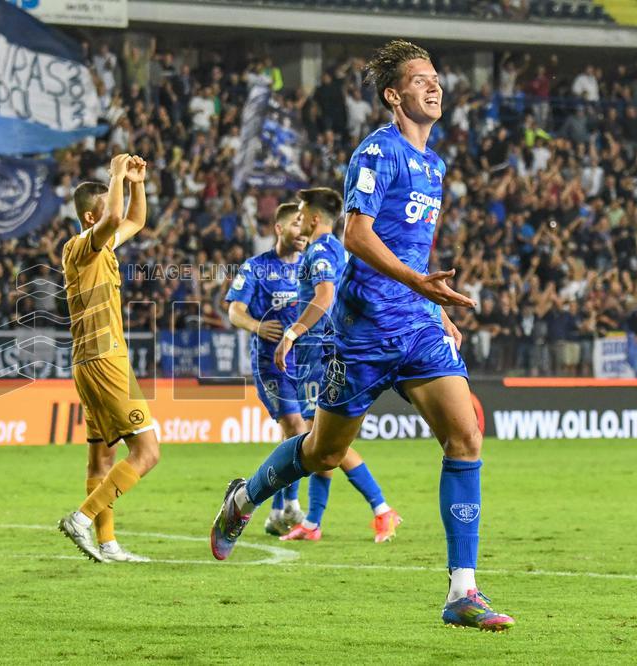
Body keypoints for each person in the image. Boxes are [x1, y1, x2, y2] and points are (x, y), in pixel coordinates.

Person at [209, 40, 515, 631]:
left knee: (466, 438)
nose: (436, 86)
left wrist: (436, 305)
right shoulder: (379, 149)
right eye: (422, 79)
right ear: (394, 95)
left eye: (438, 78)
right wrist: (418, 286)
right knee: (323, 451)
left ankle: (462, 591)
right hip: (363, 331)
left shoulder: (435, 165)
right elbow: (355, 235)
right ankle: (244, 500)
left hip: (418, 325)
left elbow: (410, 249)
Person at [274, 188, 401, 543]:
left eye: (300, 216)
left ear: (315, 219)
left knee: (327, 441)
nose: (297, 222)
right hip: (323, 349)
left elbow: (326, 294)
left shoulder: (322, 249)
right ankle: (313, 523)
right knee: (320, 441)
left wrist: (293, 333)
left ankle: (382, 509)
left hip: (322, 350)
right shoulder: (327, 249)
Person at [56, 154, 161, 563]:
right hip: (105, 359)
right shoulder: (81, 246)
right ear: (88, 217)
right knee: (148, 452)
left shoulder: (100, 247)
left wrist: (136, 182)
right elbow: (116, 219)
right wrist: (116, 175)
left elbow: (134, 220)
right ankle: (81, 519)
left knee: (103, 455)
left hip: (93, 360)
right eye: (101, 213)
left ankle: (107, 542)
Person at [224, 203, 308, 536]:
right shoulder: (256, 268)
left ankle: (276, 511)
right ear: (279, 228)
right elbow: (234, 311)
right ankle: (291, 505)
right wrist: (258, 327)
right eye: (295, 226)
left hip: (304, 364)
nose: (301, 233)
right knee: (297, 427)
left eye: (304, 227)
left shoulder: (309, 267)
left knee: (292, 434)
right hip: (270, 364)